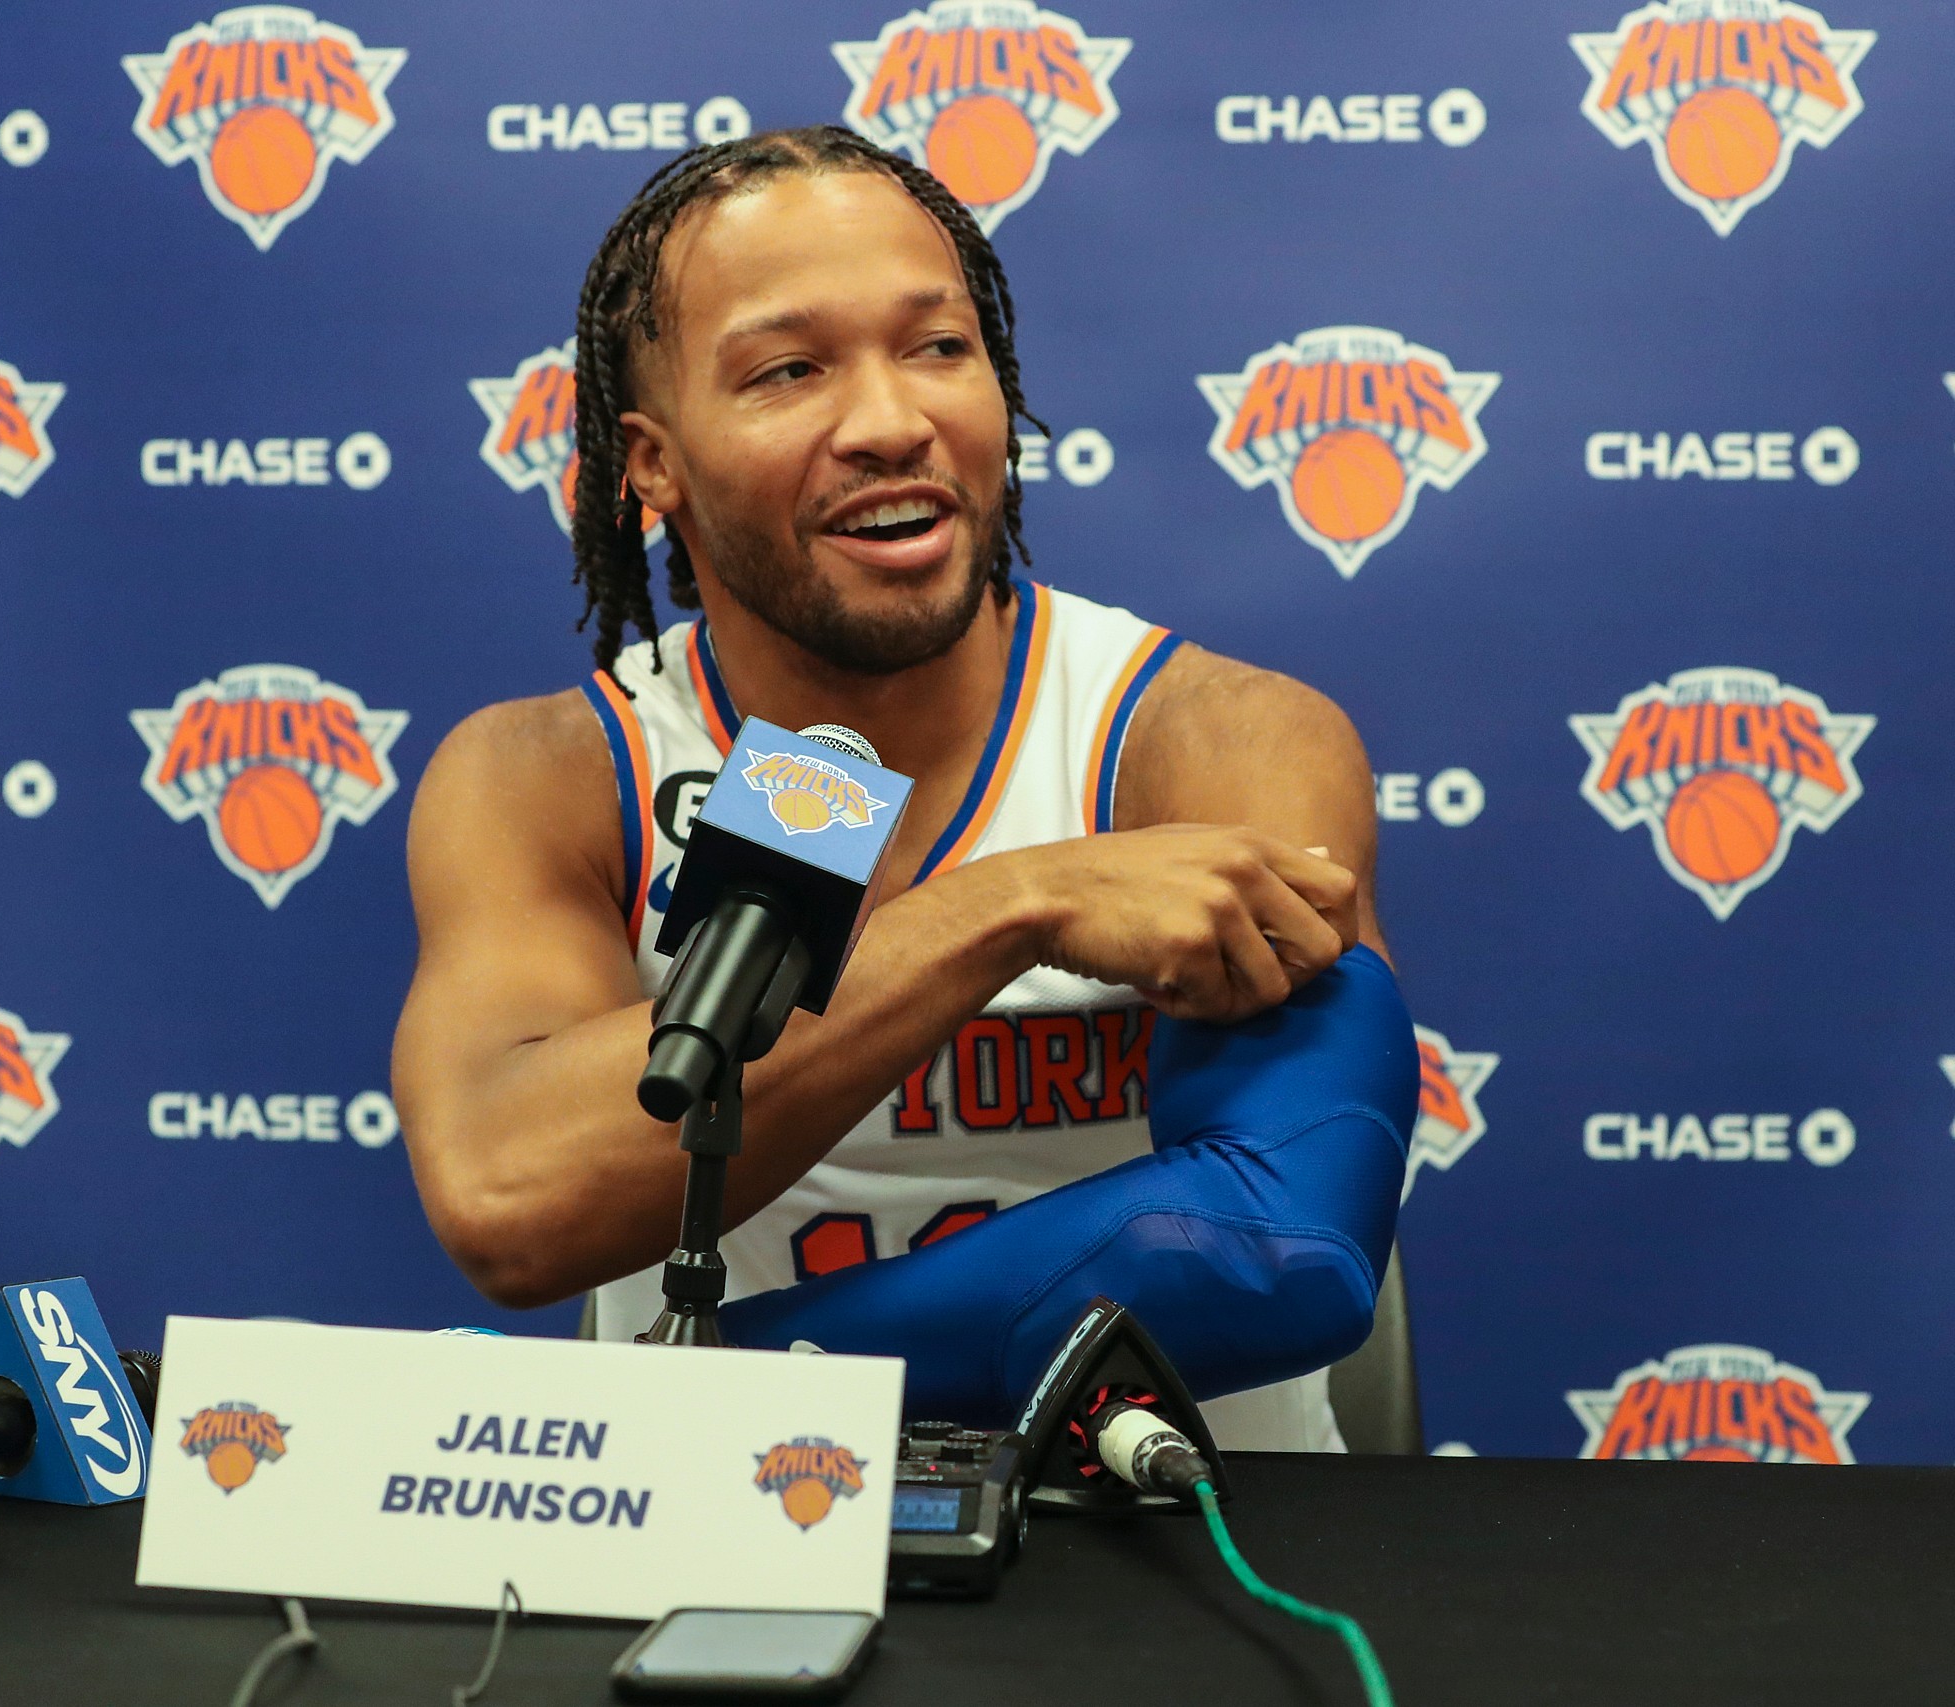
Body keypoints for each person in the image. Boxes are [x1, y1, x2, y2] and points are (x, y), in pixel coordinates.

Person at [393, 127, 1409, 1449]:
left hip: (1180, 1546)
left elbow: (1271, 1248)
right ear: (652, 462)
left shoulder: (1209, 739)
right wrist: (1017, 904)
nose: (890, 422)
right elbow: (514, 1205)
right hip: (729, 1540)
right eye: (789, 370)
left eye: (939, 348)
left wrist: (694, 1397)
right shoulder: (553, 776)